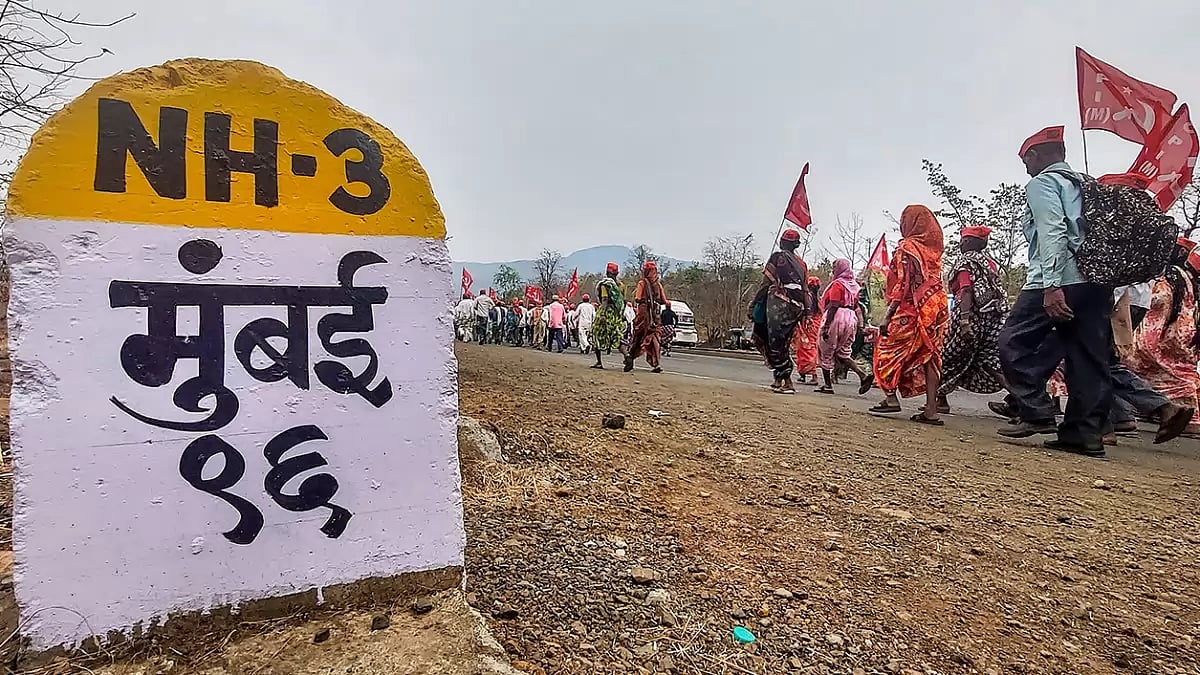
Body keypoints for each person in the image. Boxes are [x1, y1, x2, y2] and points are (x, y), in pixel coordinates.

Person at [997, 126, 1113, 456]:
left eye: (1026, 161)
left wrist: (1051, 286)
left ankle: (1036, 410)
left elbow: (1052, 231)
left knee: (1011, 341)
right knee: (1087, 357)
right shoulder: (1085, 183)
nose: (1027, 168)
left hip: (1059, 277)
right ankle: (1083, 434)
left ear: (1036, 156)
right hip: (1095, 280)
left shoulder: (1043, 183)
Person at [870, 204, 949, 424]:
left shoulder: (907, 247)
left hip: (911, 308)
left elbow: (902, 285)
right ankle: (931, 409)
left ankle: (890, 397)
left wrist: (887, 316)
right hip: (937, 306)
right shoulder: (934, 252)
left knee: (885, 349)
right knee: (930, 356)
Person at [1124, 237, 1200, 436]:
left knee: (1125, 360)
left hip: (1165, 335)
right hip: (1185, 337)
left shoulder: (1168, 279)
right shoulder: (1190, 281)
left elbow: (1159, 305)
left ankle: (1136, 412)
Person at [935, 226, 1010, 413]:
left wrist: (965, 321)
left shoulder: (965, 262)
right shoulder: (989, 264)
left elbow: (966, 290)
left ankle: (940, 400)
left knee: (947, 356)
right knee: (989, 361)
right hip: (992, 321)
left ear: (968, 242)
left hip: (970, 318)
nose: (961, 243)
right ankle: (1025, 402)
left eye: (963, 240)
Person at [756, 228, 810, 393]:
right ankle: (778, 379)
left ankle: (787, 381)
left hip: (779, 305)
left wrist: (755, 302)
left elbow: (766, 282)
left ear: (783, 242)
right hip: (797, 307)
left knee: (775, 341)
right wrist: (807, 310)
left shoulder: (778, 257)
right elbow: (805, 289)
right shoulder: (802, 264)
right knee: (782, 341)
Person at [817, 259, 873, 394]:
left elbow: (834, 304)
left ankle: (828, 385)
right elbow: (857, 307)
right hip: (851, 318)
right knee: (843, 351)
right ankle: (862, 375)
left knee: (825, 348)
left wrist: (826, 326)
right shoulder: (854, 285)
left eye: (834, 267)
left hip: (837, 316)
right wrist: (860, 325)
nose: (833, 270)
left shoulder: (837, 284)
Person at [625, 260, 668, 372]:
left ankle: (630, 357)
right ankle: (657, 363)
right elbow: (664, 300)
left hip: (644, 314)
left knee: (638, 336)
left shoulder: (642, 283)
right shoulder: (658, 284)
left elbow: (638, 298)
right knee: (655, 336)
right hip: (655, 315)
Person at [591, 263, 627, 368]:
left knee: (596, 334)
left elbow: (605, 299)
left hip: (607, 313)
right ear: (617, 273)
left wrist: (602, 314)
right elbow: (623, 301)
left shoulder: (605, 284)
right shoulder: (621, 286)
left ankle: (599, 362)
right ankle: (626, 355)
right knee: (616, 336)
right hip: (617, 314)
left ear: (607, 273)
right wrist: (621, 314)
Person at [793, 276, 822, 385]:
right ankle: (803, 374)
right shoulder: (817, 299)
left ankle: (813, 375)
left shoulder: (807, 297)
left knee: (806, 349)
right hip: (815, 325)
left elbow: (804, 311)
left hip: (808, 325)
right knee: (807, 348)